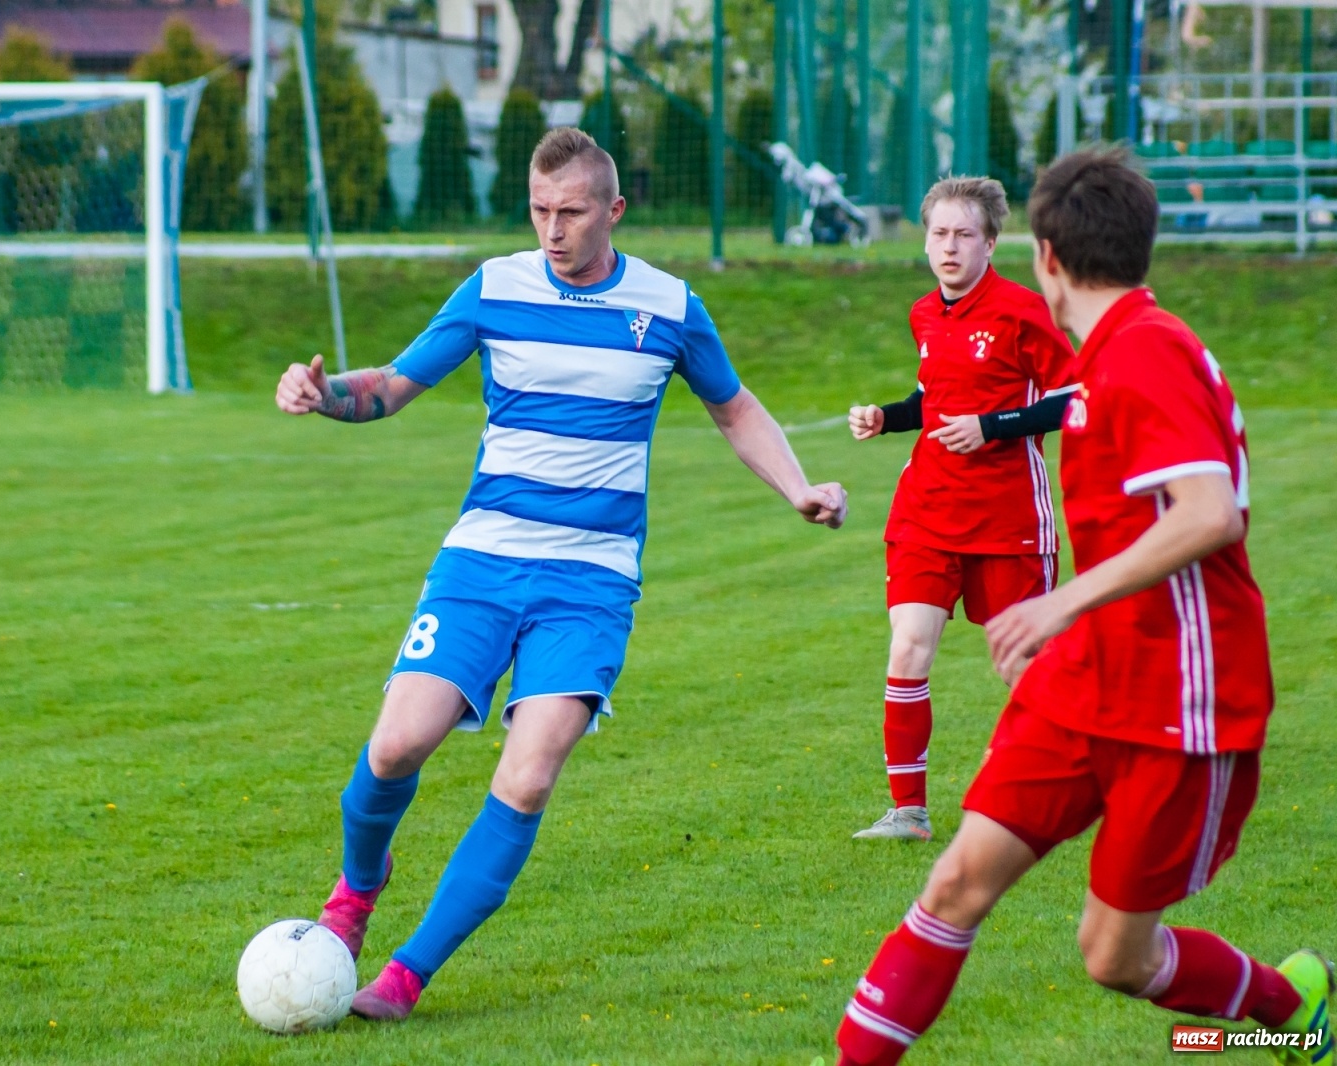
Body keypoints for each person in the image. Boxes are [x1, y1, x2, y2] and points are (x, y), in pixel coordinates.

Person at [276, 127, 847, 1021]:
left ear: (613, 211)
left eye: (571, 212)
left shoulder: (667, 306)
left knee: (530, 774)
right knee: (394, 747)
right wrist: (324, 396)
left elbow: (735, 411)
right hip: (482, 559)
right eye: (540, 211)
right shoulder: (494, 286)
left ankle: (408, 974)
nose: (553, 230)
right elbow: (389, 386)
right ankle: (354, 894)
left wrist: (798, 489)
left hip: (590, 582)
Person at [834, 149, 1332, 1066]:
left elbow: (1210, 512)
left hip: (1180, 698)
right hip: (1085, 679)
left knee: (1113, 955)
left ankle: (1288, 1004)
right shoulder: (1104, 355)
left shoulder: (1144, 354)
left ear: (1045, 259)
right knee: (953, 886)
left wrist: (1063, 600)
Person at [846, 177, 1077, 842]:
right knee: (909, 647)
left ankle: (1066, 784)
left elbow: (1075, 397)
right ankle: (908, 812)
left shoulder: (1023, 311)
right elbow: (933, 398)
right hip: (926, 510)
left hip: (1008, 519)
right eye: (939, 234)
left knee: (1023, 665)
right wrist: (885, 417)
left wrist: (994, 426)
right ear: (924, 242)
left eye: (964, 235)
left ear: (991, 243)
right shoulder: (925, 314)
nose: (950, 247)